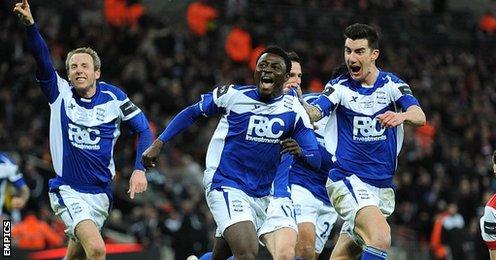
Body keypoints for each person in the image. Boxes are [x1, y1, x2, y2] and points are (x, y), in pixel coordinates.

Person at [141, 46, 320, 260]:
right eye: (262, 65)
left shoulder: (293, 110)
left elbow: (315, 158)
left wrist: (300, 151)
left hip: (261, 194)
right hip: (225, 183)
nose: (267, 70)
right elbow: (192, 112)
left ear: (284, 77)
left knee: (222, 255)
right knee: (247, 253)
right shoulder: (233, 95)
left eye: (275, 67)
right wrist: (159, 142)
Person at [14, 1, 153, 259]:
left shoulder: (114, 98)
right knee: (97, 249)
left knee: (74, 256)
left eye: (84, 66)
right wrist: (30, 27)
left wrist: (139, 168)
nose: (78, 70)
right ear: (68, 73)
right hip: (68, 189)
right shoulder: (59, 94)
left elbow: (144, 130)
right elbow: (42, 58)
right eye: (73, 67)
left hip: (101, 194)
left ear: (97, 72)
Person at [299, 23, 426, 259]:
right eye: (348, 51)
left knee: (343, 256)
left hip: (382, 186)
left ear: (374, 54)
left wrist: (402, 115)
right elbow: (317, 111)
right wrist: (300, 104)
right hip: (347, 179)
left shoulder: (391, 85)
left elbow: (420, 116)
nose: (351, 58)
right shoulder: (339, 87)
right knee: (380, 236)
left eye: (358, 51)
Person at [282, 52, 339, 260]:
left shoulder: (359, 122)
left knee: (308, 255)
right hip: (301, 183)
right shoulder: (310, 104)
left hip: (331, 197)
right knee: (303, 248)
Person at [0, 152, 30, 217]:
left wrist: (22, 200)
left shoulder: (7, 164)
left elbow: (24, 189)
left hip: (3, 212)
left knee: (7, 225)